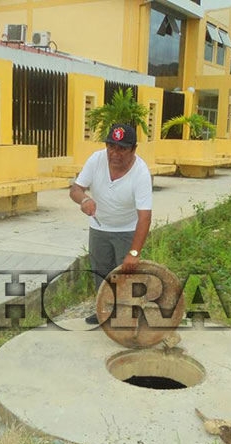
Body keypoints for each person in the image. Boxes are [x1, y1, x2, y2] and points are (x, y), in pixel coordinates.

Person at [69, 123, 153, 324]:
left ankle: (127, 317)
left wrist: (134, 253)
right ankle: (104, 312)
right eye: (111, 147)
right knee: (101, 272)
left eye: (122, 148)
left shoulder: (141, 173)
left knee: (126, 275)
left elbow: (145, 217)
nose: (115, 153)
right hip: (99, 228)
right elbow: (75, 189)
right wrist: (84, 200)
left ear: (133, 149)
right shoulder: (96, 160)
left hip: (127, 230)